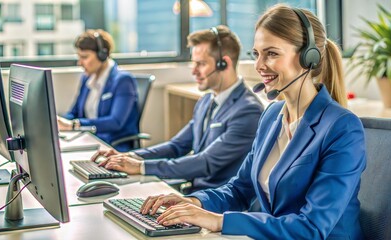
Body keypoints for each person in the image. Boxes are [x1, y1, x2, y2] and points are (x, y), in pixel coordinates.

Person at [138, 4, 366, 239]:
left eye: (272, 53)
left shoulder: (342, 128)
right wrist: (193, 202)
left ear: (309, 57)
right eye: (256, 54)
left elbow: (311, 228)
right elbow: (240, 188)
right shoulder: (271, 116)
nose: (258, 65)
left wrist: (219, 221)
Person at [91, 25, 264, 193]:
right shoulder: (206, 101)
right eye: (193, 63)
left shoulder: (248, 111)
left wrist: (141, 167)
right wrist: (130, 156)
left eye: (201, 64)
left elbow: (206, 162)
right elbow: (176, 146)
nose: (194, 71)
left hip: (217, 200)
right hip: (192, 191)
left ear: (223, 64)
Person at [57, 29, 139, 152]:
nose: (80, 63)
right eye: (79, 57)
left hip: (112, 146)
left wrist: (75, 125)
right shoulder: (87, 79)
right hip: (89, 140)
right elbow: (74, 112)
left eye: (84, 57)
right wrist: (58, 121)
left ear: (102, 55)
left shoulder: (123, 81)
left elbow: (115, 122)